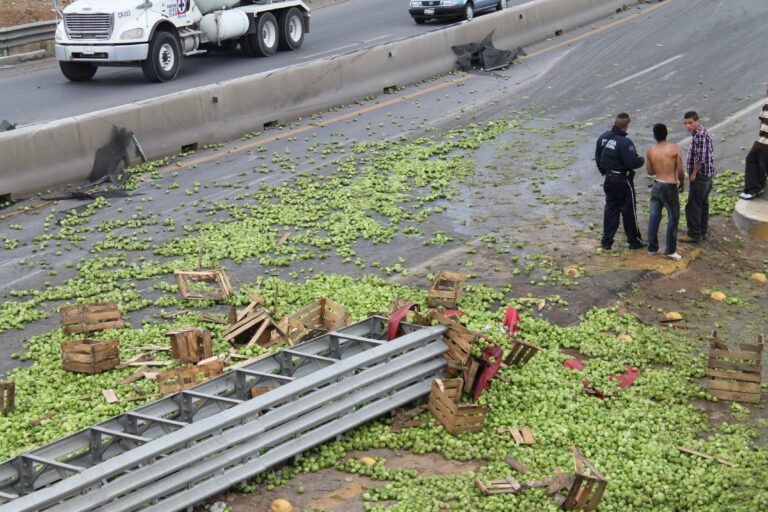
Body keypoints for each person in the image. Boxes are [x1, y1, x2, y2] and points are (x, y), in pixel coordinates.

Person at [595, 113, 646, 250]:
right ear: (626, 126)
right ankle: (634, 241)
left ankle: (607, 241)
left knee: (611, 209)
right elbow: (631, 163)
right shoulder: (625, 143)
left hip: (609, 179)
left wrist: (605, 172)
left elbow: (598, 156)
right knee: (629, 210)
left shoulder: (603, 138)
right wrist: (641, 160)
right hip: (622, 180)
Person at [645, 124, 684, 260]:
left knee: (654, 216)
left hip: (657, 184)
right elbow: (680, 171)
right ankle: (670, 250)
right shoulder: (675, 149)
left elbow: (650, 171)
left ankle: (652, 248)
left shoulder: (651, 150)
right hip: (669, 186)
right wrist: (682, 184)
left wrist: (660, 167)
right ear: (666, 133)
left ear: (654, 135)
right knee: (673, 218)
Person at [680, 111, 717, 243]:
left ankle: (694, 234)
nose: (688, 126)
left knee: (693, 206)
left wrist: (694, 174)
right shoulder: (700, 133)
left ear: (697, 121)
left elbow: (700, 159)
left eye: (690, 122)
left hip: (701, 176)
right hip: (706, 176)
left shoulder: (700, 136)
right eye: (685, 123)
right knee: (703, 204)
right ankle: (702, 231)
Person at [739, 87, 768, 200]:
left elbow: (761, 121)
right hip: (762, 140)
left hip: (764, 142)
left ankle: (753, 189)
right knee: (759, 163)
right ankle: (758, 187)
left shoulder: (766, 104)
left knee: (753, 161)